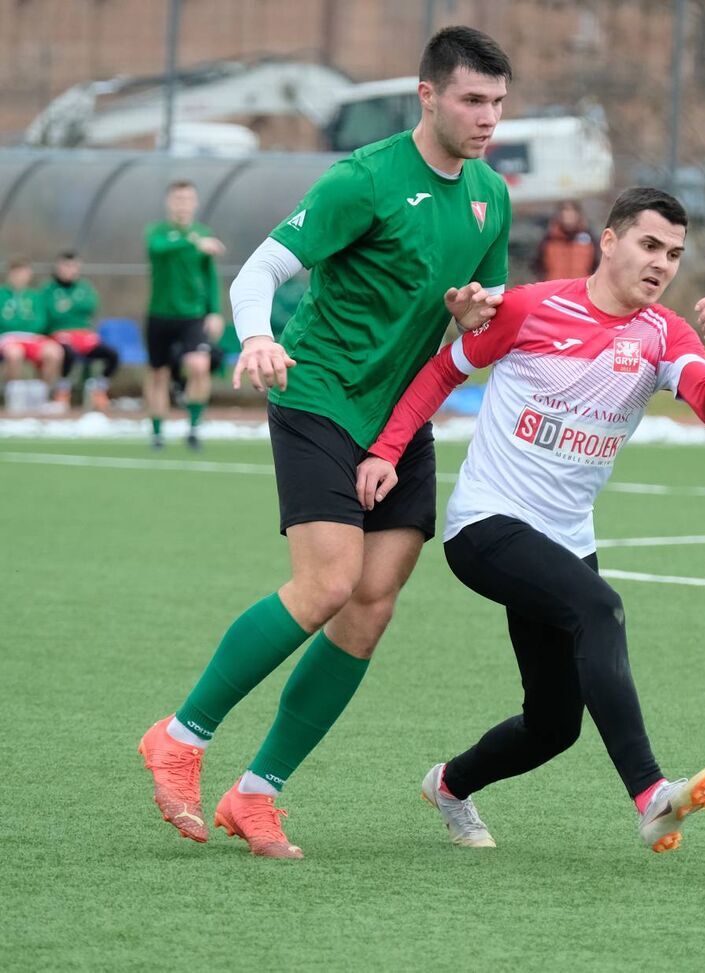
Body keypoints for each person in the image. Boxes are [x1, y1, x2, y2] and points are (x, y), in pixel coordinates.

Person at [137, 25, 514, 860]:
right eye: (471, 100)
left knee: (373, 603)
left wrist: (471, 317)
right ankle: (181, 735)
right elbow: (256, 272)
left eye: (497, 102)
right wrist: (256, 338)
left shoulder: (493, 195)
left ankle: (256, 793)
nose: (487, 117)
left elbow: (475, 316)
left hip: (398, 420)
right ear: (428, 96)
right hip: (317, 394)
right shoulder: (365, 177)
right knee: (329, 582)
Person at [356, 187, 705, 854]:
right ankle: (651, 796)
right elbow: (441, 372)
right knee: (601, 608)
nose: (662, 264)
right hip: (486, 525)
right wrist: (388, 451)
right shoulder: (532, 307)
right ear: (611, 241)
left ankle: (448, 785)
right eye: (650, 245)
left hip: (565, 539)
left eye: (675, 254)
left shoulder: (663, 335)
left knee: (554, 725)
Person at [144, 180, 225, 450]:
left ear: (195, 203)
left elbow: (210, 277)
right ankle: (157, 433)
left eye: (188, 199)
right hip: (159, 314)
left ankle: (193, 428)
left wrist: (214, 312)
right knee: (159, 375)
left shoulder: (202, 234)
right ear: (169, 202)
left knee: (199, 366)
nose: (183, 204)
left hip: (192, 316)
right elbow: (158, 249)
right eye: (178, 198)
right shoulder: (158, 232)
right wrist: (192, 241)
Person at [43, 250, 118, 411]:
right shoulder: (48, 289)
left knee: (112, 354)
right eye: (66, 266)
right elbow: (52, 314)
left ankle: (99, 390)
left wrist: (67, 306)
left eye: (74, 266)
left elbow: (89, 306)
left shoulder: (84, 287)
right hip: (60, 335)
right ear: (58, 267)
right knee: (68, 354)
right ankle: (62, 391)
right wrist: (72, 307)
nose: (70, 270)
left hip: (84, 336)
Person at [0, 258, 65, 406]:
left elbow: (40, 322)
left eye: (24, 273)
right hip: (7, 337)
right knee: (14, 353)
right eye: (17, 273)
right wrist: (18, 324)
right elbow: (2, 322)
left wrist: (21, 324)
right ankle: (14, 397)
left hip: (32, 337)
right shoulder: (1, 294)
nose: (20, 277)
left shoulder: (36, 296)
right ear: (10, 274)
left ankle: (39, 396)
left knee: (55, 352)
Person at [535, 199, 597, 280]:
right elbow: (538, 266)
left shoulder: (589, 239)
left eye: (571, 213)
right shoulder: (549, 240)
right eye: (565, 212)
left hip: (580, 288)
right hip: (555, 289)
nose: (568, 216)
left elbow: (596, 265)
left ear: (578, 215)